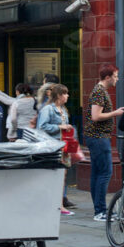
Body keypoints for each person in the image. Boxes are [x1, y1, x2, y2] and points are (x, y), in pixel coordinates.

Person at [84, 65, 124, 221]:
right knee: (105, 172)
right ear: (107, 77)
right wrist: (116, 113)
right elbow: (96, 116)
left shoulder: (99, 91)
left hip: (96, 137)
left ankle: (99, 209)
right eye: (115, 76)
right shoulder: (99, 92)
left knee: (97, 173)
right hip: (98, 137)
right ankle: (101, 211)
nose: (117, 79)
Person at [37, 84, 74, 216]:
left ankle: (59, 204)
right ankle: (54, 204)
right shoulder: (48, 109)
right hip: (52, 146)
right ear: (59, 95)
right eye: (65, 93)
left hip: (63, 146)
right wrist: (60, 127)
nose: (67, 96)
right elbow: (42, 127)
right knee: (53, 175)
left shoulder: (63, 109)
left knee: (62, 176)